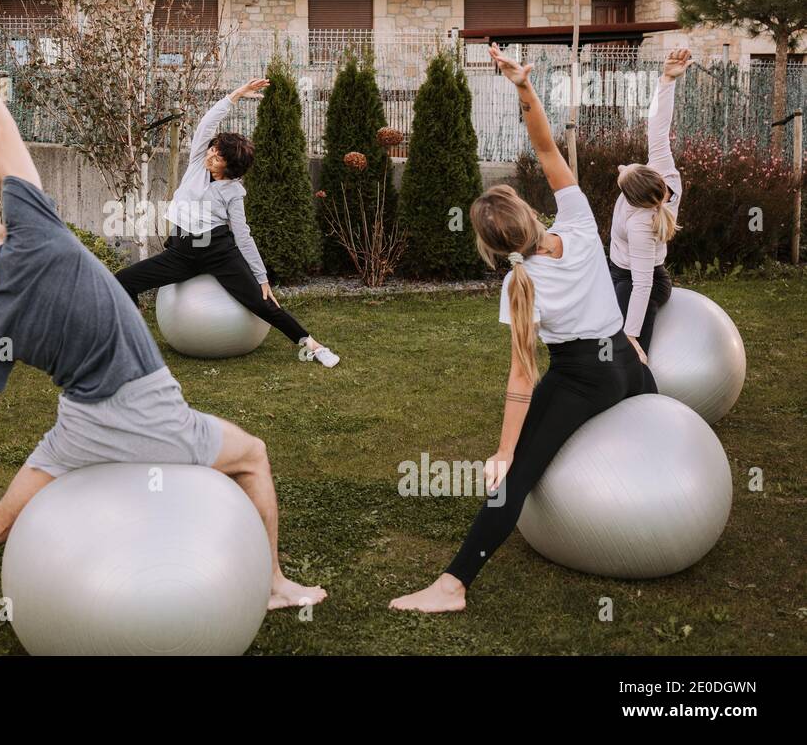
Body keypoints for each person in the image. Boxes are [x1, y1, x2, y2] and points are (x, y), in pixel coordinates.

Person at [0, 7, 326, 643]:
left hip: (80, 428)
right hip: (149, 411)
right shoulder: (35, 228)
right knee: (252, 457)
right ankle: (271, 583)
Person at [389, 44, 655, 614]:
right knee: (653, 420)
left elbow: (521, 375)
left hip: (583, 379)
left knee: (515, 481)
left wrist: (505, 452)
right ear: (530, 212)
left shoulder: (520, 284)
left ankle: (453, 585)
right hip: (626, 368)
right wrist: (522, 86)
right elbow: (544, 145)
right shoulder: (580, 222)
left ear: (491, 245)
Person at [114, 82, 340, 367]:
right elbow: (207, 124)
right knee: (123, 281)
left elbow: (243, 235)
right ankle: (135, 343)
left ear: (230, 167)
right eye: (213, 149)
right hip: (181, 253)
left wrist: (261, 278)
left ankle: (313, 345)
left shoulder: (234, 192)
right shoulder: (198, 161)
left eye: (218, 156)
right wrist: (233, 97)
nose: (211, 154)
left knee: (262, 304)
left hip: (219, 252)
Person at [608, 48, 691, 359]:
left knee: (626, 353)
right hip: (619, 267)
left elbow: (642, 285)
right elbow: (657, 125)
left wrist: (631, 335)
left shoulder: (641, 224)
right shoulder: (661, 171)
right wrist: (667, 79)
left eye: (622, 174)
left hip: (641, 281)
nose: (622, 167)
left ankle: (639, 382)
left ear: (632, 201)